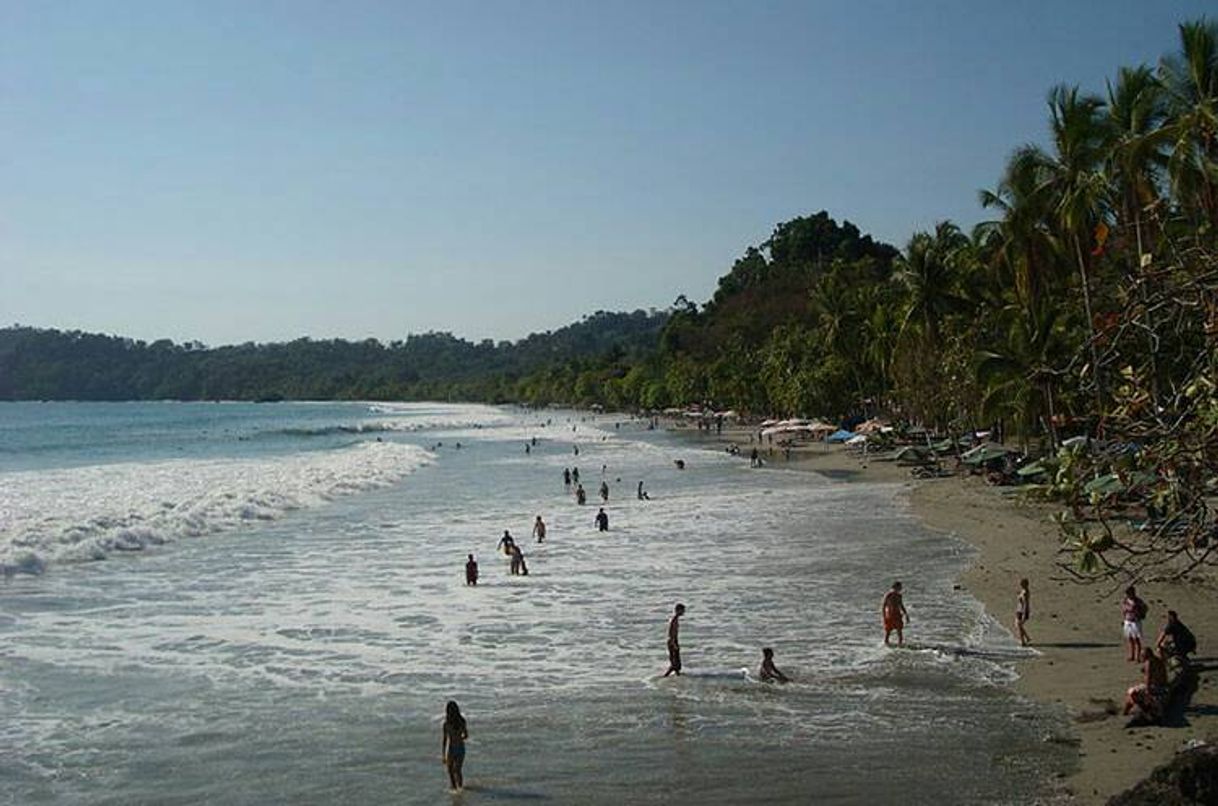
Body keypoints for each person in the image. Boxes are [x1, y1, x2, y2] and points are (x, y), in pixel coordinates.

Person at [1123, 647, 1169, 719]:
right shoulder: (1158, 660)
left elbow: (1148, 677)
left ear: (1145, 656)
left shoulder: (1149, 662)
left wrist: (1148, 691)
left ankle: (1125, 712)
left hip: (1154, 687)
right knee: (1136, 691)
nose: (1140, 657)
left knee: (1131, 692)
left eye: (1142, 656)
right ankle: (1139, 707)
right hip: (1162, 686)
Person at [441, 700, 468, 792]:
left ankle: (457, 789)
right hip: (459, 747)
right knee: (456, 770)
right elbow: (466, 735)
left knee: (452, 771)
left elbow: (445, 740)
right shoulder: (461, 721)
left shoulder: (446, 724)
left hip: (452, 749)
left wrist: (443, 755)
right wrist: (460, 737)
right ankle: (458, 788)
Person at [1122, 585, 1149, 662]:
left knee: (1136, 639)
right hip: (1128, 620)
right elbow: (1124, 609)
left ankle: (1138, 656)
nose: (1128, 594)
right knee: (1130, 639)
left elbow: (1145, 607)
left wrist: (1140, 614)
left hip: (1135, 621)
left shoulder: (1138, 601)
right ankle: (1132, 655)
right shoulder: (1125, 600)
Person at [882, 581, 909, 646]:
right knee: (888, 631)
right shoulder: (889, 595)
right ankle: (886, 643)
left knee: (898, 630)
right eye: (900, 587)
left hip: (897, 614)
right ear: (896, 587)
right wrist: (884, 615)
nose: (901, 589)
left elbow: (901, 605)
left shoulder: (899, 596)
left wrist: (906, 614)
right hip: (890, 615)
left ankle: (899, 644)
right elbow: (884, 605)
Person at [663, 603, 686, 677]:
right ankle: (665, 676)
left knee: (676, 663)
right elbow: (671, 633)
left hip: (673, 641)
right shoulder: (674, 620)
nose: (684, 612)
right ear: (678, 610)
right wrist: (674, 644)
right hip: (672, 641)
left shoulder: (675, 619)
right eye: (683, 610)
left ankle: (678, 676)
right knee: (675, 663)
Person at [1015, 578, 1031, 647]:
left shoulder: (1025, 592)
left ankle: (1023, 641)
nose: (1020, 584)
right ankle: (1027, 638)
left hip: (1022, 611)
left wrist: (1024, 613)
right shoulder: (1023, 591)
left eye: (1022, 583)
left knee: (1019, 625)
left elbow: (1025, 603)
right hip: (1019, 610)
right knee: (1018, 625)